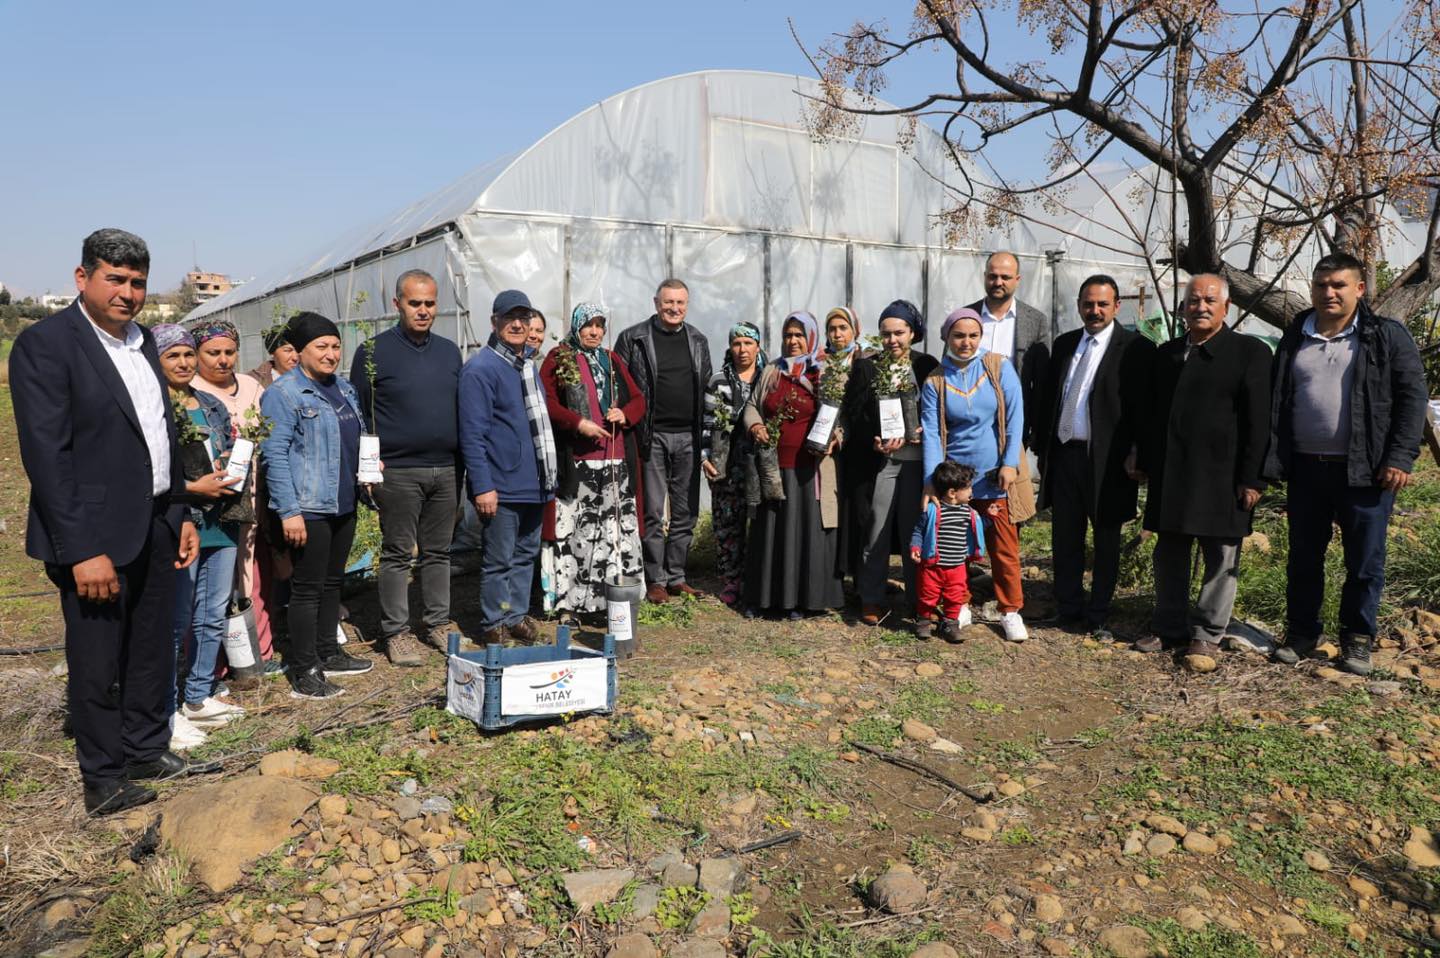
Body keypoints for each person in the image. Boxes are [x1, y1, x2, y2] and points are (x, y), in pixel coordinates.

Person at [11, 229, 201, 814]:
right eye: (114, 279)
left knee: (149, 645)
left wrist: (179, 511)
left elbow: (161, 437)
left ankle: (144, 747)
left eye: (137, 282)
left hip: (155, 520)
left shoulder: (143, 343)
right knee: (97, 660)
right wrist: (80, 549)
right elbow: (48, 457)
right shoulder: (47, 345)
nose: (127, 293)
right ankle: (103, 777)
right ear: (82, 277)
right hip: (94, 535)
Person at [1266, 253, 1428, 674]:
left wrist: (1400, 457)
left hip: (1365, 469)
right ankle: (1302, 633)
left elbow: (1412, 399)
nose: (1329, 293)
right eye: (1321, 285)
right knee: (1304, 557)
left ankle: (1356, 639)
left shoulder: (1384, 335)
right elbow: (1278, 398)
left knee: (1365, 561)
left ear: (1359, 288)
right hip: (1306, 468)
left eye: (1339, 285)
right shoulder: (1296, 334)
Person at [1132, 274, 1271, 662]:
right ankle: (1169, 624)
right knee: (1169, 552)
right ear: (1183, 307)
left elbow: (1259, 422)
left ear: (1227, 306)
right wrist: (1142, 457)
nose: (1201, 307)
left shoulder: (1249, 353)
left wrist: (1253, 477)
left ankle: (1208, 632)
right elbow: (1152, 414)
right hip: (1173, 472)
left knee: (1221, 556)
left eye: (1210, 300)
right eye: (1194, 300)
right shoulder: (1168, 354)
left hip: (1223, 475)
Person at [349, 269, 464, 665]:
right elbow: (361, 414)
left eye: (430, 303)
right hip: (397, 470)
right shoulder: (372, 352)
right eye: (415, 303)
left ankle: (438, 623)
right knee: (398, 552)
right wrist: (368, 469)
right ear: (397, 304)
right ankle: (396, 632)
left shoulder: (449, 352)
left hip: (446, 469)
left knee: (439, 552)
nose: (423, 310)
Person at [1032, 276, 1153, 640]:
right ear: (1079, 306)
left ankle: (1099, 613)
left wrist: (1139, 452)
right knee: (1065, 535)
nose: (1095, 311)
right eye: (1088, 304)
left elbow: (1143, 408)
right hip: (1065, 454)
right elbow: (1051, 397)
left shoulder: (1136, 348)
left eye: (1102, 304)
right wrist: (1043, 448)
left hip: (1108, 460)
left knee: (1106, 538)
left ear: (1117, 306)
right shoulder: (1066, 344)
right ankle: (1068, 606)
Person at [261, 312, 374, 698]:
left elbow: (353, 438)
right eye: (321, 346)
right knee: (307, 589)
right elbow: (274, 456)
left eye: (336, 346)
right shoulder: (284, 394)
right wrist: (289, 511)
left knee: (332, 581)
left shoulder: (344, 388)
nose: (331, 354)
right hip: (308, 506)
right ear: (300, 351)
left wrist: (368, 469)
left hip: (343, 499)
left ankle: (329, 651)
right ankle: (305, 668)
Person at [153, 324, 246, 744]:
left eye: (188, 354)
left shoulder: (210, 403)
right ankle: (165, 708)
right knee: (177, 619)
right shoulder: (153, 406)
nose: (183, 363)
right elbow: (153, 469)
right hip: (182, 519)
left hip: (220, 519)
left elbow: (226, 448)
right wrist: (193, 488)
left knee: (212, 613)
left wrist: (231, 465)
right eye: (173, 356)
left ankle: (198, 695)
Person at [921, 308, 1030, 642]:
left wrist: (1009, 463)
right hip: (956, 481)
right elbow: (932, 434)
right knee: (955, 546)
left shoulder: (998, 367)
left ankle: (1010, 610)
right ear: (946, 338)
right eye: (958, 336)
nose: (966, 342)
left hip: (995, 475)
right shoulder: (936, 380)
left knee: (1004, 547)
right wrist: (932, 482)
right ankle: (959, 603)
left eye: (973, 335)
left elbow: (1015, 417)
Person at [459, 290, 558, 644]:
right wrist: (483, 486)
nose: (517, 324)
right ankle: (494, 621)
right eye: (509, 318)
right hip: (502, 484)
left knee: (525, 554)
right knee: (499, 558)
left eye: (523, 318)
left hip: (534, 481)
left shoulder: (526, 366)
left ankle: (514, 615)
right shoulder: (480, 370)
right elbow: (472, 435)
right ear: (494, 322)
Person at [538, 303, 647, 620]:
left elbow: (638, 399)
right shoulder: (559, 358)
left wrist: (624, 414)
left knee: (612, 533)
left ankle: (612, 601)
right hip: (579, 464)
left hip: (615, 462)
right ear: (576, 327)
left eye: (600, 326)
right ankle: (570, 604)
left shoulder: (611, 360)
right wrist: (577, 422)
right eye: (589, 325)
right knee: (579, 534)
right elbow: (546, 401)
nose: (595, 332)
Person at [188, 318, 279, 675]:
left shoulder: (251, 386)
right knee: (214, 582)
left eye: (229, 351)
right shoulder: (190, 390)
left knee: (251, 573)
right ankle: (215, 663)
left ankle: (258, 653)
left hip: (252, 494)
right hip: (210, 500)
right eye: (213, 352)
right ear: (197, 354)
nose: (222, 360)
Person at [741, 311, 844, 617]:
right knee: (771, 532)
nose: (793, 340)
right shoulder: (772, 370)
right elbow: (752, 405)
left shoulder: (824, 371)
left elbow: (842, 415)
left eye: (799, 335)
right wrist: (755, 425)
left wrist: (836, 437)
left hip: (809, 469)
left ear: (811, 336)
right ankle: (767, 599)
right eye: (788, 335)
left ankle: (802, 600)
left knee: (805, 532)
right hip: (773, 465)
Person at [841, 300, 938, 626]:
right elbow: (854, 414)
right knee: (876, 530)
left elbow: (939, 409)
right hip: (883, 463)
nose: (892, 340)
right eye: (886, 334)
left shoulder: (926, 366)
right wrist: (874, 439)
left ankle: (919, 600)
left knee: (915, 532)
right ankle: (871, 597)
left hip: (917, 463)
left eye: (899, 333)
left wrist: (925, 431)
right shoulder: (867, 367)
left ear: (913, 333)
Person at [616, 279, 713, 603]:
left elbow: (707, 389)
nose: (674, 308)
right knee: (653, 512)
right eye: (668, 302)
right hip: (651, 436)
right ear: (656, 303)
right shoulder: (634, 338)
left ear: (687, 304)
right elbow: (619, 385)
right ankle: (655, 579)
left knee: (685, 512)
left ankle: (677, 576)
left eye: (680, 303)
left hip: (688, 436)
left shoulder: (697, 340)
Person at [701, 323, 766, 605]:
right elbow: (707, 423)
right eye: (737, 343)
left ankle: (758, 578)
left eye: (748, 343)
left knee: (760, 520)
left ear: (758, 347)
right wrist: (705, 457)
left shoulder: (767, 378)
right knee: (727, 521)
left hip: (759, 461)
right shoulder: (718, 381)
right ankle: (731, 580)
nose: (742, 349)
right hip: (726, 461)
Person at [967, 252, 1051, 446]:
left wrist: (1037, 428)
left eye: (1005, 277)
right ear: (985, 276)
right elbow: (949, 368)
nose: (998, 282)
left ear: (1017, 280)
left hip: (1013, 423)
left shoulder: (1035, 321)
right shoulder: (966, 316)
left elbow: (1041, 382)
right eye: (993, 276)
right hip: (968, 422)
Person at [910, 461, 988, 640]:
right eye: (968, 488)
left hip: (957, 567)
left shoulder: (968, 512)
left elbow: (977, 527)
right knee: (927, 595)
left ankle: (951, 625)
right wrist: (915, 546)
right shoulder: (932, 510)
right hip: (932, 566)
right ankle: (923, 622)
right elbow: (918, 530)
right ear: (952, 493)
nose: (971, 491)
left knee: (955, 596)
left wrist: (989, 518)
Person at [247, 320, 300, 387]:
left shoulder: (309, 377)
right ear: (272, 353)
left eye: (298, 350)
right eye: (288, 350)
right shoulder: (253, 381)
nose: (295, 358)